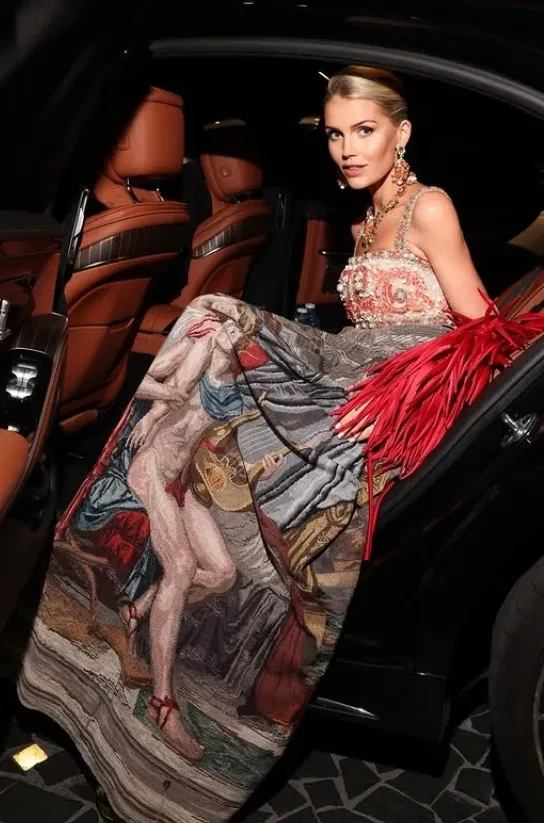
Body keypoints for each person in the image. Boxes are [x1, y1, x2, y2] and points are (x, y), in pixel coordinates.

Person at [18, 66, 507, 823]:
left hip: (393, 392)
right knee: (211, 338)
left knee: (216, 318)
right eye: (336, 134)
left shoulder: (429, 207)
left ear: (402, 133)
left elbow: (481, 328)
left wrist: (411, 398)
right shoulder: (363, 221)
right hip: (351, 371)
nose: (347, 149)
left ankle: (147, 579)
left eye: (365, 131)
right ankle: (130, 595)